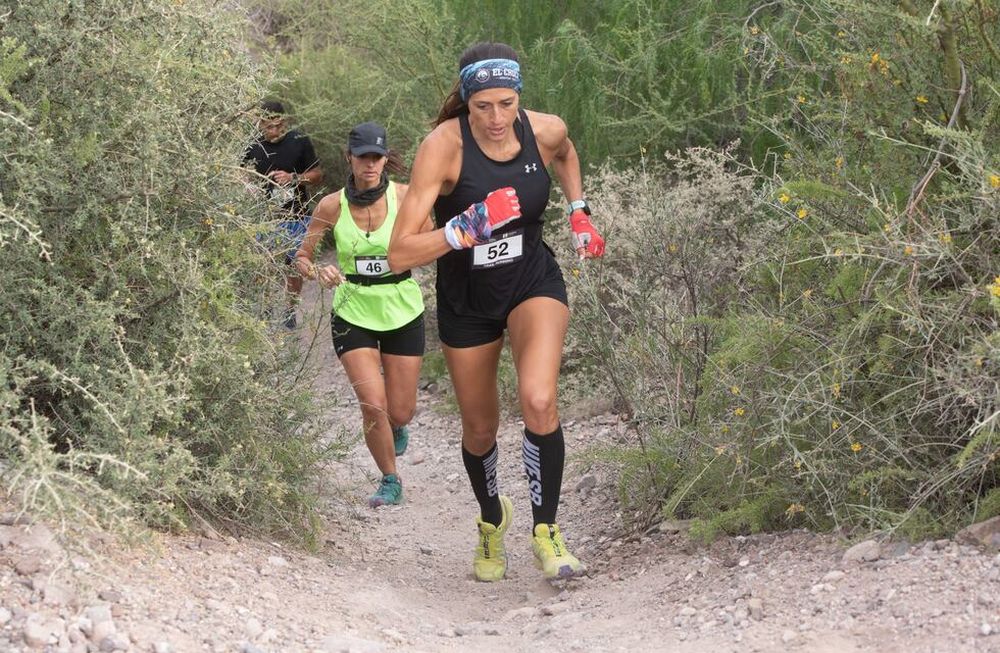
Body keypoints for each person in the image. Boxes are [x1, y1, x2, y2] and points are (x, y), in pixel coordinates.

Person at [388, 43, 605, 581]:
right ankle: (491, 521)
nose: (496, 118)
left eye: (506, 104)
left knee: (539, 399)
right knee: (481, 428)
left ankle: (547, 531)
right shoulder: (443, 147)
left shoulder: (544, 130)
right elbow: (399, 253)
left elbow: (567, 154)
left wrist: (579, 212)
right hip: (467, 298)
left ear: (518, 96)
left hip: (532, 278)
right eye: (482, 106)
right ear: (466, 101)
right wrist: (464, 228)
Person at [294, 122, 432, 507]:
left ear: (385, 159)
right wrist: (317, 272)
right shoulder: (331, 205)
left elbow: (431, 243)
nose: (370, 164)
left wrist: (409, 254)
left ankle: (397, 424)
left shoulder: (406, 197)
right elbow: (302, 257)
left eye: (377, 157)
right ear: (349, 158)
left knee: (400, 409)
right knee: (372, 403)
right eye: (362, 157)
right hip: (352, 310)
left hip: (402, 308)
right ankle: (390, 478)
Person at [245, 99, 324, 328]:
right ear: (260, 123)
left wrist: (294, 178)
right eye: (269, 126)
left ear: (285, 121)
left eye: (279, 125)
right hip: (264, 218)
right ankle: (266, 308)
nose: (274, 131)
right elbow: (240, 174)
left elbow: (317, 174)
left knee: (294, 265)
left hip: (296, 215)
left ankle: (290, 309)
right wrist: (249, 186)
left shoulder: (299, 140)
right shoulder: (252, 146)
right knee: (264, 265)